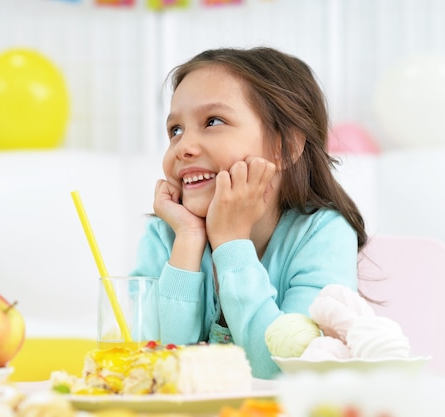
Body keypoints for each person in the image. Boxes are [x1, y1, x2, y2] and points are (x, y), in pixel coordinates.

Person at [130, 47, 367, 379]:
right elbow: (151, 370)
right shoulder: (167, 235)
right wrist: (188, 241)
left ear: (285, 146)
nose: (183, 147)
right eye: (176, 130)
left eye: (213, 121)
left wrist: (230, 242)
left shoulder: (323, 235)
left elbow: (280, 372)